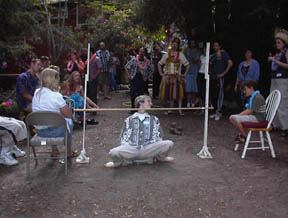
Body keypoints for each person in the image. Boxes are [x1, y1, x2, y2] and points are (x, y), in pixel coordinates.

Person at [104, 95, 174, 168]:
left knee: (169, 143)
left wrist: (154, 146)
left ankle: (160, 158)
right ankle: (117, 163)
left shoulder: (154, 119)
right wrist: (128, 148)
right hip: (133, 149)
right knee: (113, 152)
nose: (151, 104)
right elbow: (123, 138)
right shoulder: (129, 119)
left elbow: (159, 137)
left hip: (148, 149)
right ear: (141, 103)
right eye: (149, 101)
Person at [32, 68, 76, 158]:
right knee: (68, 121)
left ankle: (54, 150)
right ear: (53, 80)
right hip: (56, 132)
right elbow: (69, 115)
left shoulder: (36, 93)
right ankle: (68, 151)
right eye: (57, 79)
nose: (58, 81)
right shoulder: (56, 96)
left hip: (40, 131)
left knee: (52, 120)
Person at [158, 38, 190, 116]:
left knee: (179, 93)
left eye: (176, 44)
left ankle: (179, 110)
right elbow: (159, 63)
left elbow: (187, 64)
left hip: (177, 77)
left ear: (178, 45)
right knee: (169, 93)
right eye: (173, 44)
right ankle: (170, 109)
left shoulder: (181, 55)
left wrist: (184, 74)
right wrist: (161, 73)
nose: (174, 45)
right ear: (171, 44)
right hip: (168, 77)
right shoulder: (166, 55)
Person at [268, 28, 288, 137]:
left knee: (283, 103)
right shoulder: (278, 54)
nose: (277, 44)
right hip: (274, 79)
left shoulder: (286, 53)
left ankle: (285, 127)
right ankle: (275, 124)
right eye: (276, 42)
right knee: (273, 101)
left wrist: (275, 61)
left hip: (283, 80)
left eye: (279, 42)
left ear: (284, 43)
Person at [209, 41, 233, 121]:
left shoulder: (224, 54)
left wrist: (223, 73)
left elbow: (230, 63)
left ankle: (219, 112)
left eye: (216, 46)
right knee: (213, 95)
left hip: (220, 78)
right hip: (213, 77)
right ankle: (215, 111)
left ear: (219, 46)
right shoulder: (213, 55)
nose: (215, 47)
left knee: (220, 95)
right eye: (214, 46)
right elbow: (210, 64)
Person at [184, 39, 201, 107]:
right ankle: (188, 103)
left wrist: (196, 59)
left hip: (195, 71)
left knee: (194, 88)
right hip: (188, 71)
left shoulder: (198, 51)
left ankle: (193, 103)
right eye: (191, 43)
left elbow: (197, 60)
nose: (192, 45)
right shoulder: (187, 50)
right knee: (188, 88)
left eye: (193, 43)